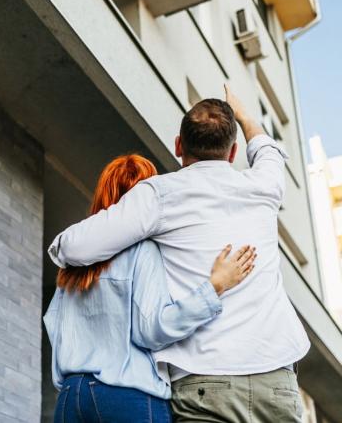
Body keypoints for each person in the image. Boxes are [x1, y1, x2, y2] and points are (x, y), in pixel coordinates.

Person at [48, 86, 310, 422]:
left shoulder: (160, 195)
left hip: (205, 383)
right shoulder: (265, 186)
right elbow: (267, 150)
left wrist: (63, 249)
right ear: (232, 153)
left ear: (178, 146)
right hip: (276, 378)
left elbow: (75, 247)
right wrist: (244, 115)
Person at [44, 154, 256, 423]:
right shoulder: (143, 251)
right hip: (128, 394)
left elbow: (54, 325)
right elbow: (153, 329)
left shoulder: (72, 264)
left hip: (71, 397)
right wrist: (214, 288)